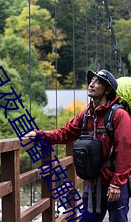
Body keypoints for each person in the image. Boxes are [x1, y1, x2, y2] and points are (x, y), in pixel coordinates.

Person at [24, 69, 131, 222]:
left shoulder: (120, 116)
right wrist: (40, 135)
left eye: (97, 82)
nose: (91, 84)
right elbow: (65, 133)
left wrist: (117, 184)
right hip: (94, 183)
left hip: (114, 184)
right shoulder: (86, 115)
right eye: (91, 81)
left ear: (108, 90)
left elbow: (125, 152)